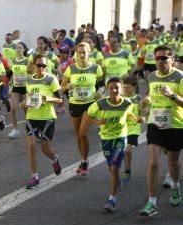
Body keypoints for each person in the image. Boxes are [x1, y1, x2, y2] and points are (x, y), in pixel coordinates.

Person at [139, 45, 183, 217]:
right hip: (155, 123)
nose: (160, 61)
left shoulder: (179, 77)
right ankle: (152, 203)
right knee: (153, 162)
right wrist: (147, 100)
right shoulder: (151, 76)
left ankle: (175, 186)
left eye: (164, 58)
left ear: (172, 59)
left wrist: (173, 95)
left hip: (176, 124)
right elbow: (151, 93)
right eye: (157, 58)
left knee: (172, 162)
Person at [83, 77, 135, 212]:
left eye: (117, 87)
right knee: (111, 166)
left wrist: (138, 119)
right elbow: (87, 115)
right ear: (107, 89)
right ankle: (115, 181)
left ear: (121, 89)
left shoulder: (127, 103)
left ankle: (112, 200)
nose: (114, 90)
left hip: (120, 138)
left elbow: (128, 114)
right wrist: (98, 122)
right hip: (105, 138)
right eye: (111, 88)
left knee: (114, 167)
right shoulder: (100, 103)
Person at [61, 42, 103, 176]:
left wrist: (100, 92)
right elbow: (62, 86)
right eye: (79, 52)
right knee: (78, 135)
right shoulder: (71, 69)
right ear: (76, 54)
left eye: (84, 52)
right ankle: (83, 159)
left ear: (89, 53)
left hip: (89, 104)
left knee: (83, 134)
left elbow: (102, 84)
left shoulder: (96, 68)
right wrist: (67, 87)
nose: (82, 54)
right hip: (74, 103)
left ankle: (85, 161)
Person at [23, 54, 63, 189]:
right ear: (34, 65)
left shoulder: (51, 79)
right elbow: (28, 98)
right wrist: (25, 102)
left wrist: (47, 99)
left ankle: (54, 159)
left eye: (44, 66)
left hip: (47, 118)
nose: (41, 68)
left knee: (45, 149)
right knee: (32, 146)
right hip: (31, 117)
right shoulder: (28, 80)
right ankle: (35, 177)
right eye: (39, 65)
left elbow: (60, 100)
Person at [121, 76, 145, 184]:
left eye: (128, 88)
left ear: (134, 87)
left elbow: (143, 113)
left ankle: (127, 170)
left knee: (127, 150)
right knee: (123, 151)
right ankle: (126, 168)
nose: (126, 90)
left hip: (133, 128)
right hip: (120, 128)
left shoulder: (138, 98)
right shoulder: (119, 97)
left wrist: (142, 117)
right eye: (124, 87)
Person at [7, 42, 30, 138]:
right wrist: (10, 87)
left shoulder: (28, 61)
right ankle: (15, 129)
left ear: (24, 49)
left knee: (26, 110)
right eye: (16, 48)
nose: (18, 49)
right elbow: (12, 74)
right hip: (16, 87)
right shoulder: (13, 61)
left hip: (26, 88)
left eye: (20, 48)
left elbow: (32, 76)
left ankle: (30, 128)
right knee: (12, 109)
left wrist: (23, 79)